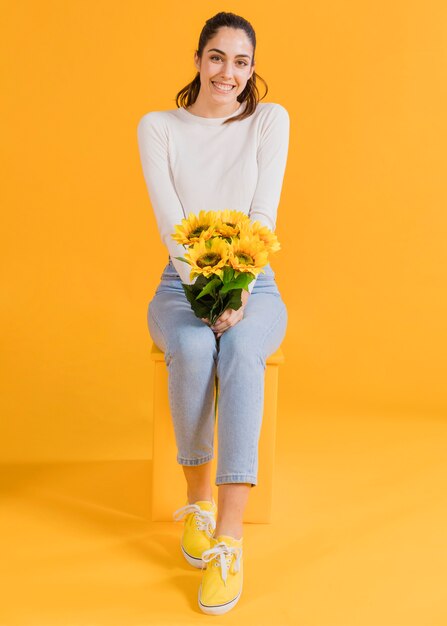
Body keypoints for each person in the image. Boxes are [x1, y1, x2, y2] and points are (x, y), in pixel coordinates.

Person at [137, 11, 290, 616]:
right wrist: (206, 293)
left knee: (244, 351)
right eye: (218, 57)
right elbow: (172, 224)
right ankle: (197, 502)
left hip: (257, 281)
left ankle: (229, 537)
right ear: (198, 59)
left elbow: (263, 212)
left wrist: (240, 288)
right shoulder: (159, 127)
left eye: (242, 61)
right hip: (180, 284)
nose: (229, 72)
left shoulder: (269, 121)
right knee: (198, 348)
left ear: (252, 69)